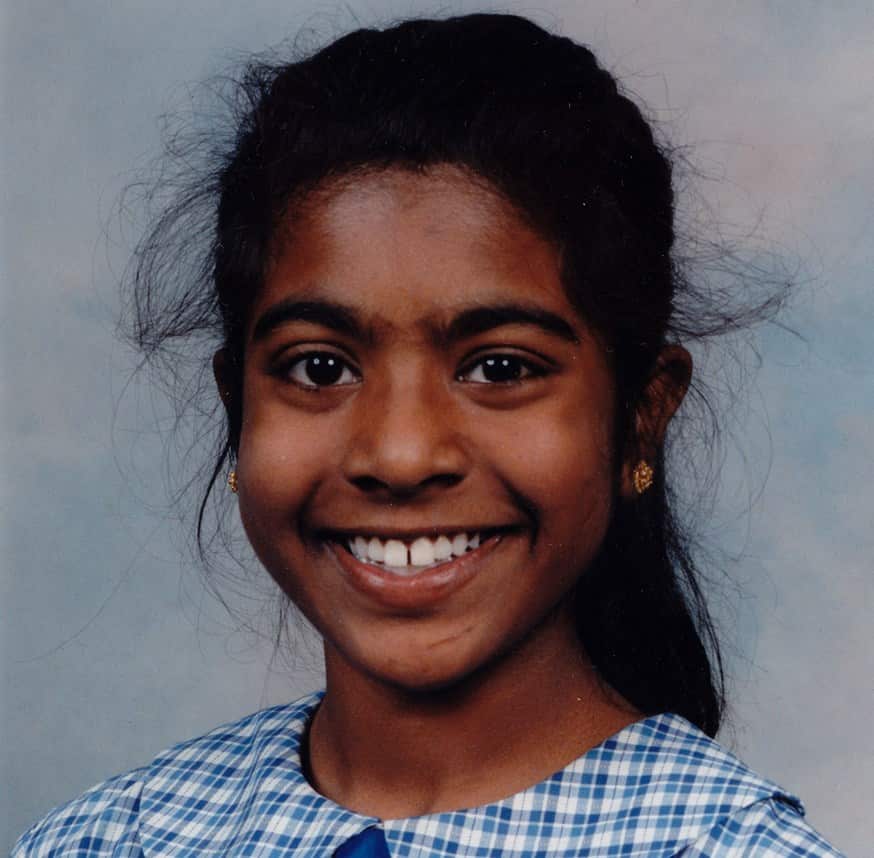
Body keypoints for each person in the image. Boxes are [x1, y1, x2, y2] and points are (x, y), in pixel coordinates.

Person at [13, 13, 843, 857]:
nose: (402, 456)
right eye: (320, 368)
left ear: (641, 416)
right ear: (238, 410)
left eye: (500, 369)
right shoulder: (113, 839)